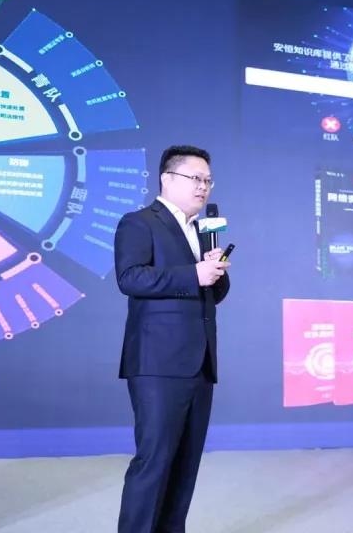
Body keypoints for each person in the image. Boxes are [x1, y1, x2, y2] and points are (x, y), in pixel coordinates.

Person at [115, 144, 231, 533]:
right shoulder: (139, 222)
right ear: (167, 178)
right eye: (195, 178)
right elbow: (130, 277)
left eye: (208, 180)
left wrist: (215, 272)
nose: (203, 187)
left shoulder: (201, 231)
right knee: (154, 462)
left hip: (200, 363)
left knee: (185, 466)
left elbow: (211, 294)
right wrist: (193, 274)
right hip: (158, 363)